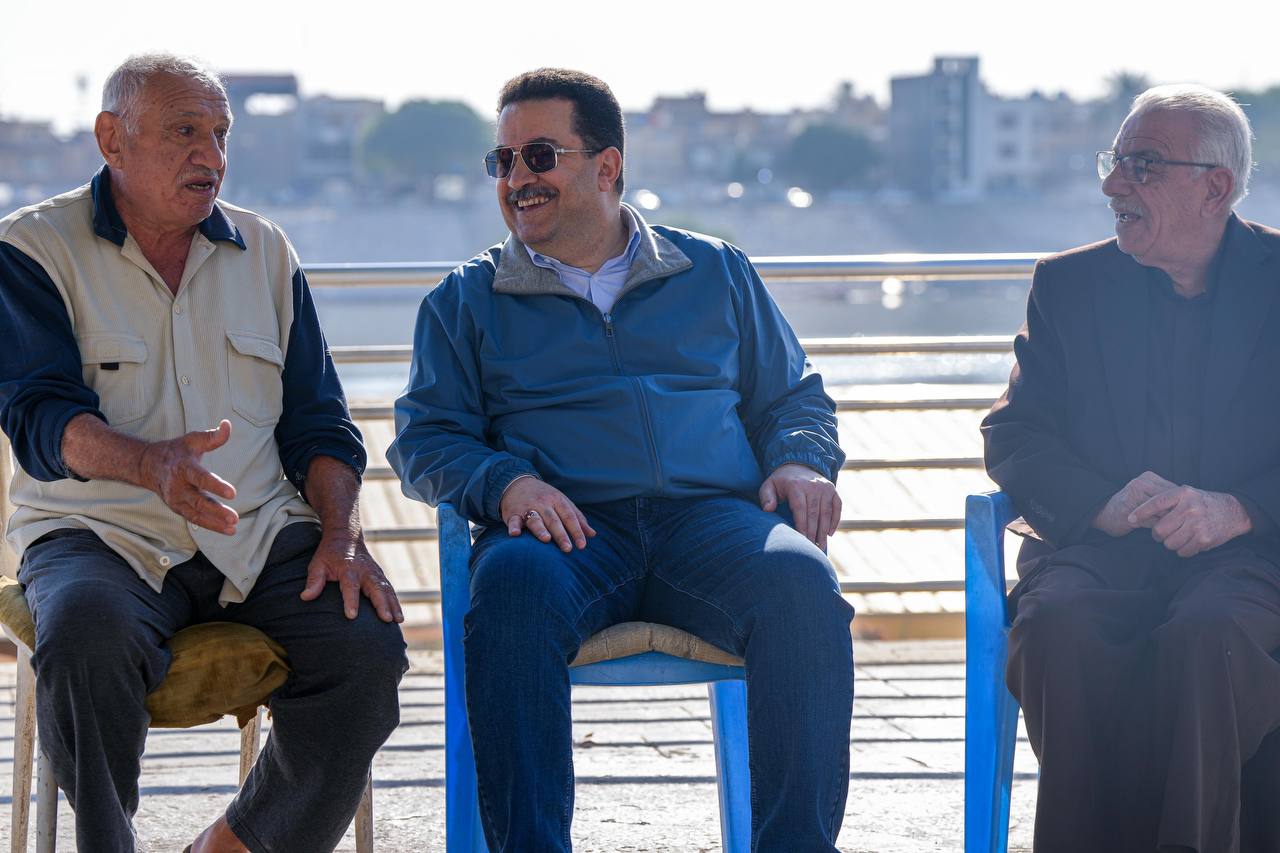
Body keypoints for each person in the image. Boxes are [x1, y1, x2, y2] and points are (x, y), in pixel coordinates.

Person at [388, 67, 853, 851]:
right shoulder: (464, 300)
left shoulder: (716, 271)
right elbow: (426, 436)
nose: (516, 178)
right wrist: (505, 482)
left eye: (539, 156)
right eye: (502, 160)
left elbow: (794, 396)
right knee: (509, 596)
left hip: (713, 522)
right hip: (563, 531)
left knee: (804, 586)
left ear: (606, 167)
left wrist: (802, 459)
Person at [0, 53, 408, 852]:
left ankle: (232, 845)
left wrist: (341, 534)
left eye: (221, 134)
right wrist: (151, 465)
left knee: (367, 647)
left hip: (256, 532)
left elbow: (321, 425)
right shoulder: (33, 248)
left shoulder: (267, 250)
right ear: (111, 139)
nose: (212, 156)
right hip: (99, 533)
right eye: (185, 131)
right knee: (85, 638)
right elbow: (40, 418)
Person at [983, 84, 1280, 852]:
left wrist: (1238, 510)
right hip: (1100, 549)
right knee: (1059, 624)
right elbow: (1015, 433)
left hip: (1253, 556)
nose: (1114, 184)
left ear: (1215, 186)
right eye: (1114, 162)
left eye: (1142, 165)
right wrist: (1102, 504)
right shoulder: (1069, 284)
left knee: (1212, 633)